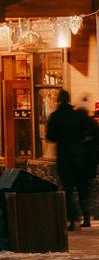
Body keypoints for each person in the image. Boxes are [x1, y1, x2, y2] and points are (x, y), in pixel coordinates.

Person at [45, 89, 95, 229]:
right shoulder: (77, 116)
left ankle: (73, 220)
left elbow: (51, 137)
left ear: (58, 100)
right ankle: (86, 216)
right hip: (80, 158)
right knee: (82, 188)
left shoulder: (56, 116)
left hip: (65, 158)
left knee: (68, 189)